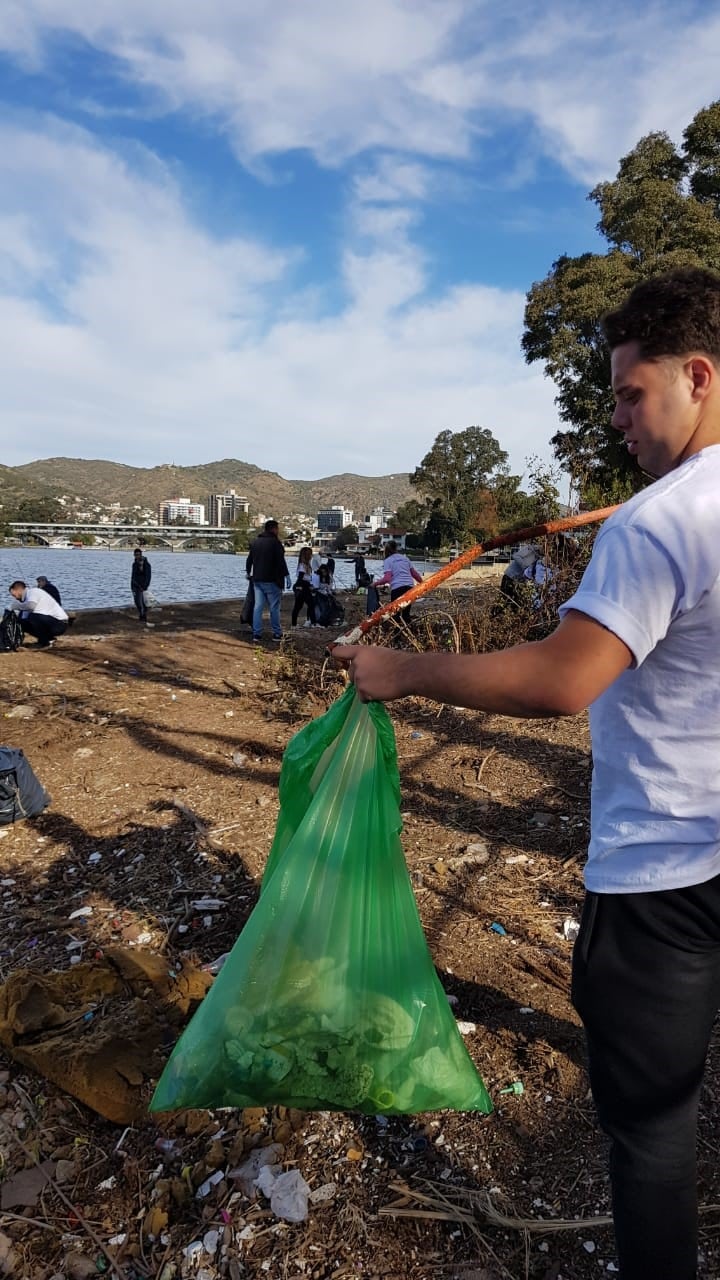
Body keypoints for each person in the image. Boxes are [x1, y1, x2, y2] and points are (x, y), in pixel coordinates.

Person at [334, 267, 720, 1280]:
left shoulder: (661, 519)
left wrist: (401, 670)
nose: (620, 422)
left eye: (632, 396)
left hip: (663, 884)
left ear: (698, 375)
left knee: (652, 1139)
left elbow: (562, 678)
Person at [245, 519, 291, 642]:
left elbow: (249, 560)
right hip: (272, 580)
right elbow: (281, 561)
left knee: (258, 607)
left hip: (258, 580)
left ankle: (257, 634)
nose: (278, 531)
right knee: (274, 608)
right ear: (274, 529)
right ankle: (277, 634)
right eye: (277, 529)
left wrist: (248, 572)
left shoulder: (256, 542)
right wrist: (287, 576)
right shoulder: (275, 543)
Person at [7, 580, 69, 648]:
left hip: (60, 623)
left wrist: (17, 606)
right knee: (21, 623)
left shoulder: (33, 592)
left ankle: (44, 643)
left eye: (13, 595)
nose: (15, 598)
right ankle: (49, 639)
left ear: (18, 590)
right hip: (50, 623)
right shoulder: (26, 599)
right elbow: (24, 618)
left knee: (33, 617)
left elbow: (31, 606)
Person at [373, 540, 423, 622]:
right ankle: (407, 630)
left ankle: (398, 632)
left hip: (397, 588)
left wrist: (375, 584)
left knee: (396, 614)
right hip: (409, 587)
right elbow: (415, 574)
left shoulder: (388, 561)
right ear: (396, 548)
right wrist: (422, 583)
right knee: (406, 614)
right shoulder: (405, 558)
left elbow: (387, 579)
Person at [291, 547, 317, 629]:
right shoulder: (303, 565)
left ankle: (294, 624)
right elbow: (301, 577)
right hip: (302, 585)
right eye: (310, 554)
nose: (311, 555)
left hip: (305, 585)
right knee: (309, 604)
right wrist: (299, 587)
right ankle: (313, 623)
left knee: (299, 606)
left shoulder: (306, 565)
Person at [131, 548, 153, 626]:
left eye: (138, 555)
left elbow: (148, 576)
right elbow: (133, 576)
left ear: (141, 554)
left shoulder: (146, 564)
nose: (137, 556)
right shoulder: (134, 564)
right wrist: (132, 585)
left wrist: (145, 585)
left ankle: (143, 616)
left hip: (142, 586)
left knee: (141, 602)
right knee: (137, 602)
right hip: (135, 585)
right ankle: (141, 614)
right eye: (135, 555)